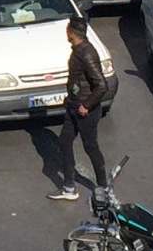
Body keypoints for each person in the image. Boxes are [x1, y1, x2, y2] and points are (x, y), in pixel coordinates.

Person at [47, 17, 111, 202]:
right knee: (64, 141)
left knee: (90, 147)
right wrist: (71, 98)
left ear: (71, 32)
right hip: (73, 106)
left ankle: (103, 187)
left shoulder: (86, 53)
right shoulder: (78, 51)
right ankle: (69, 187)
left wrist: (86, 105)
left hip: (85, 111)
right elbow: (77, 80)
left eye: (67, 28)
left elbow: (101, 85)